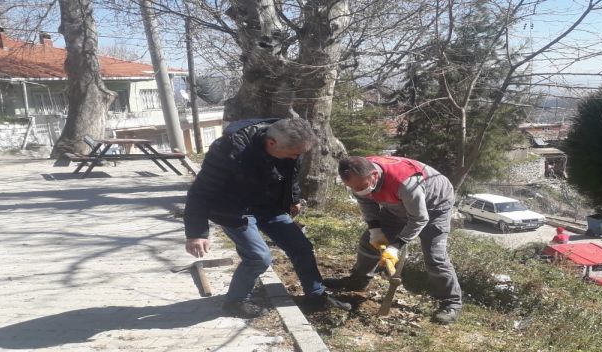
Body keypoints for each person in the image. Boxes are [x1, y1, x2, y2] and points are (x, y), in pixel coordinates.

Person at [183, 117, 351, 318]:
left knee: (301, 247)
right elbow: (200, 191)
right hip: (234, 209)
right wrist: (196, 233)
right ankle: (235, 302)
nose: (295, 157)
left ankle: (316, 296)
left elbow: (291, 175)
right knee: (258, 257)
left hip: (269, 206)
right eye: (292, 154)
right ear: (272, 143)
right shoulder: (228, 149)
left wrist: (293, 199)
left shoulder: (291, 146)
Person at [326, 155, 462, 325]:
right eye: (353, 188)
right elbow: (367, 204)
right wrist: (375, 230)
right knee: (368, 241)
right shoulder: (359, 174)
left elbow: (419, 219)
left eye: (362, 186)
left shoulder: (406, 183)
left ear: (374, 175)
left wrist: (396, 246)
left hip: (435, 205)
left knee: (435, 257)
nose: (359, 190)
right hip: (397, 203)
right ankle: (359, 280)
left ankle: (451, 303)